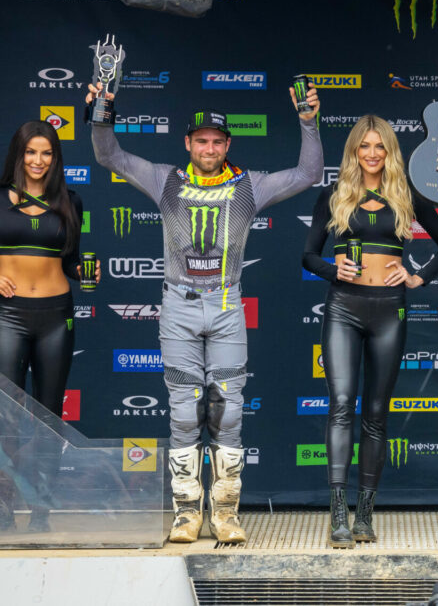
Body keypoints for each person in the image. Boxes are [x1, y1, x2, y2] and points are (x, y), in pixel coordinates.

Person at [87, 82, 323, 543]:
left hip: (225, 303)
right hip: (177, 304)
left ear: (228, 144)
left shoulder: (248, 186)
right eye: (202, 140)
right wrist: (102, 109)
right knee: (182, 411)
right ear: (188, 143)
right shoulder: (165, 180)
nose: (210, 148)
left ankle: (227, 513)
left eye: (217, 141)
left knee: (228, 411)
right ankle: (186, 513)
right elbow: (108, 156)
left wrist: (308, 121)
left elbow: (307, 174)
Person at [302, 115, 438, 547]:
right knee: (339, 404)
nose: (372, 154)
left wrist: (417, 276)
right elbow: (308, 256)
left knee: (374, 414)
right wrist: (334, 268)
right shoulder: (335, 195)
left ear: (390, 152)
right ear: (354, 151)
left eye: (380, 147)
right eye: (364, 147)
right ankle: (338, 514)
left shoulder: (405, 196)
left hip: (389, 312)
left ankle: (365, 515)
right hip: (343, 309)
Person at [0, 120, 96, 531]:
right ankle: (3, 507)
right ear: (18, 155)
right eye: (30, 152)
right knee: (4, 415)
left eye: (46, 153)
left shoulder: (71, 201)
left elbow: (72, 261)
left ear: (55, 158)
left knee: (48, 416)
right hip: (7, 315)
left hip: (57, 316)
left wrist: (87, 273)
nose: (38, 161)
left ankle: (41, 511)